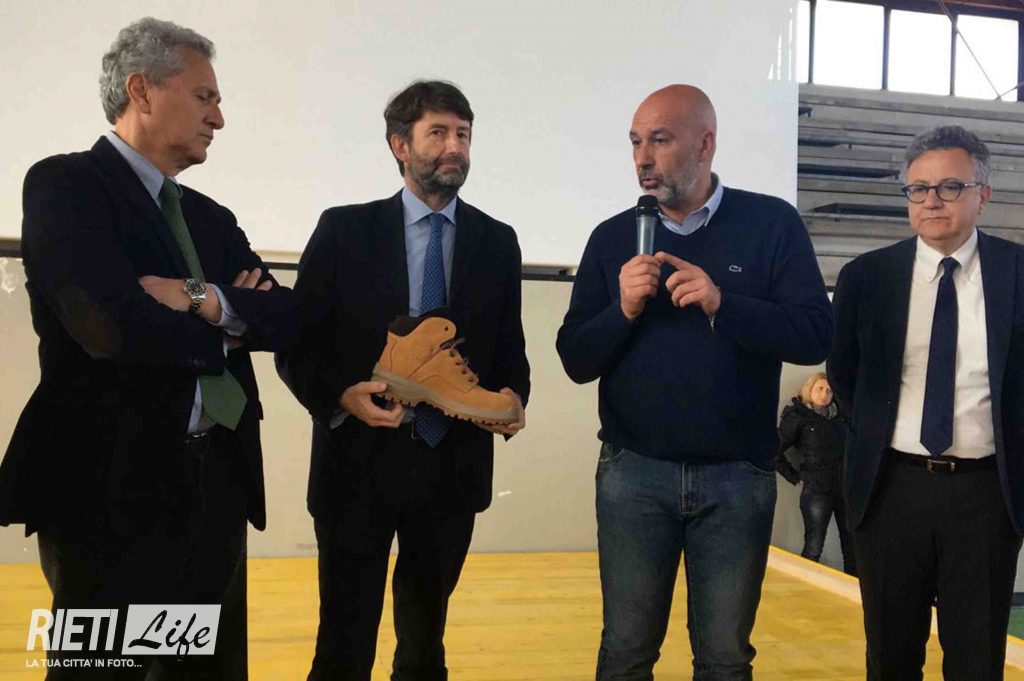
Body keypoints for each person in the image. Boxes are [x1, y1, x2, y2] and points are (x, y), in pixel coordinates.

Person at [0, 17, 296, 679]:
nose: (219, 117)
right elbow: (109, 327)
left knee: (200, 672)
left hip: (215, 489)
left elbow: (284, 318)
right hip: (111, 493)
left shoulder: (211, 218)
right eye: (204, 97)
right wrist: (233, 321)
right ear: (141, 90)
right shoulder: (66, 187)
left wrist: (198, 296)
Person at [556, 84, 832, 680]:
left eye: (659, 140)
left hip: (737, 479)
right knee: (625, 652)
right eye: (635, 142)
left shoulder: (771, 224)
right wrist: (623, 310)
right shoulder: (612, 237)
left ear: (705, 145)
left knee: (725, 659)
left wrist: (723, 303)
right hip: (634, 476)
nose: (642, 158)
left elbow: (814, 336)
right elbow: (575, 359)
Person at [275, 80, 530, 681]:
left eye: (463, 134)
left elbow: (509, 350)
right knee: (343, 645)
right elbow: (297, 342)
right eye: (437, 133)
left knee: (423, 648)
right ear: (399, 145)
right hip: (357, 464)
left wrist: (515, 396)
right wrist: (340, 394)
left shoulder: (497, 241)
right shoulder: (343, 230)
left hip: (452, 466)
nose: (455, 147)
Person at [829, 125, 1024, 679]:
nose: (931, 201)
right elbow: (845, 375)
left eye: (949, 187)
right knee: (890, 659)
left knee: (976, 661)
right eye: (918, 189)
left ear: (983, 194)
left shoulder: (1017, 273)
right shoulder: (866, 277)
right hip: (891, 489)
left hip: (986, 495)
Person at [775, 372, 856, 575]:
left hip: (843, 489)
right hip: (816, 490)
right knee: (814, 546)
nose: (824, 394)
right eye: (819, 388)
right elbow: (774, 451)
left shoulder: (841, 416)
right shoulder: (799, 417)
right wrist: (794, 476)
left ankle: (852, 589)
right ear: (809, 389)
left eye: (829, 390)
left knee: (852, 548)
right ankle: (804, 588)